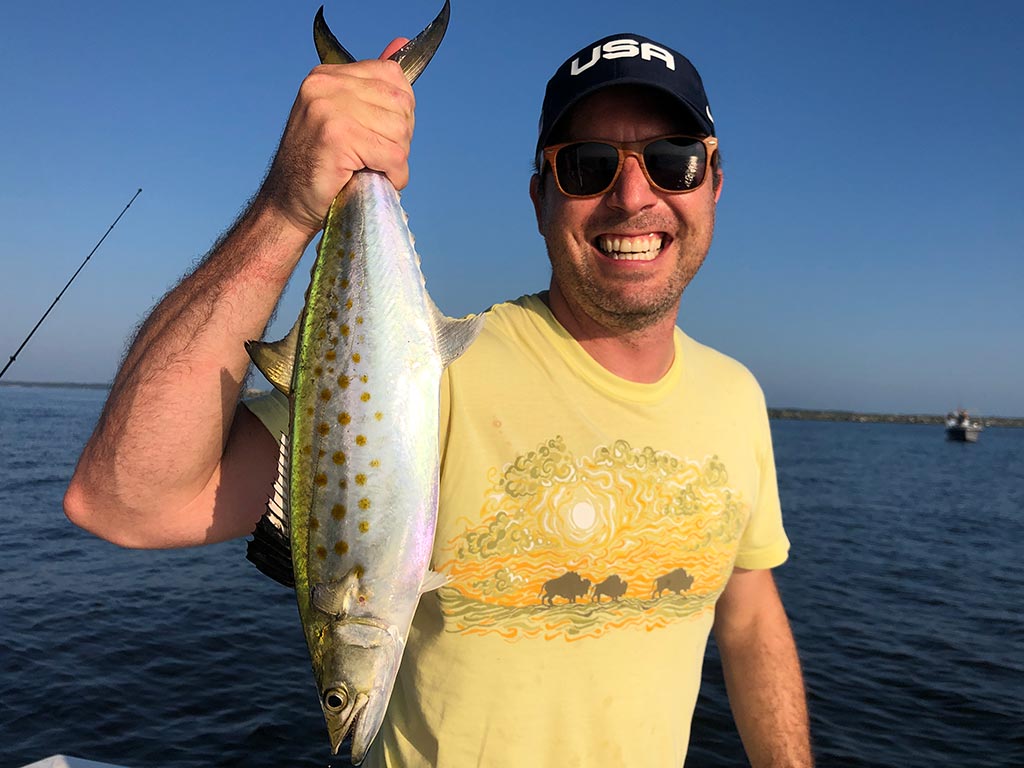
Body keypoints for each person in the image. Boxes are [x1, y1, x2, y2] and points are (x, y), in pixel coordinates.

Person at [65, 26, 813, 768]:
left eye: (673, 161)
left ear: (713, 181)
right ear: (540, 197)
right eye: (586, 166)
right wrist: (286, 210)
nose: (631, 195)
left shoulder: (737, 396)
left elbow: (747, 616)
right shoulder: (433, 376)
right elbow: (127, 500)